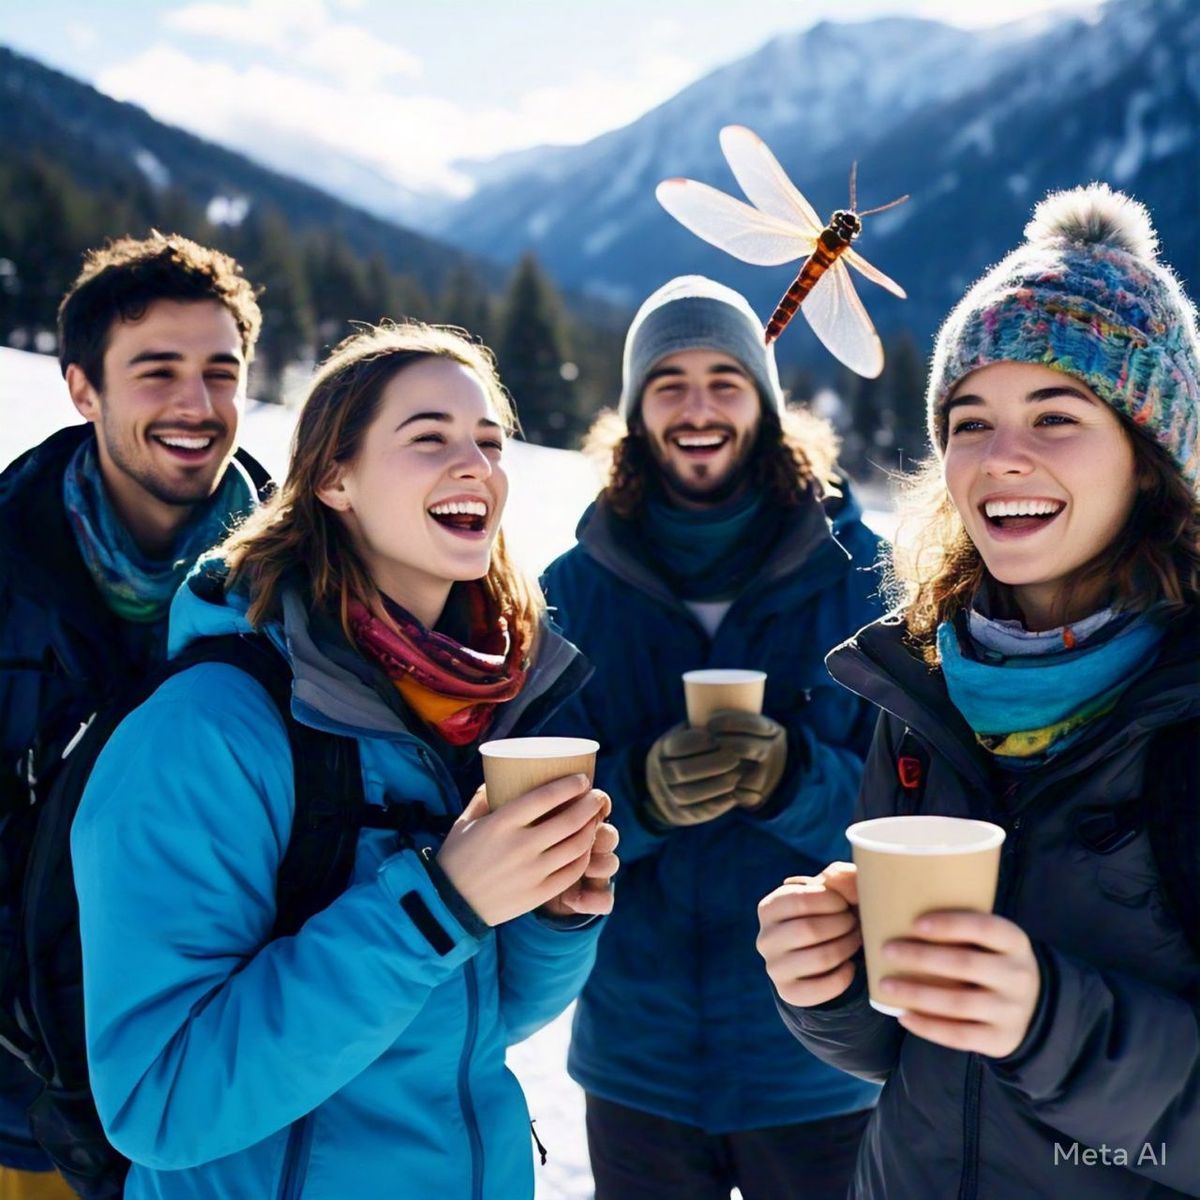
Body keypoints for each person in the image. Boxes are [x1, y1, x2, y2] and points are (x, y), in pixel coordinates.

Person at [71, 322, 619, 1199]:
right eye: (429, 437)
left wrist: (549, 917)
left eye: (489, 440)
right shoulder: (205, 732)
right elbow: (161, 1103)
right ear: (333, 478)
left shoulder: (470, 709)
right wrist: (441, 905)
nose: (475, 463)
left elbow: (469, 1023)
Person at [758, 183, 1200, 1199]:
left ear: (1151, 457)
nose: (1003, 456)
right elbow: (912, 1051)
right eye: (969, 419)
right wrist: (831, 983)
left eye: (1057, 414)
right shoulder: (925, 685)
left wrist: (1053, 1025)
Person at [540, 275, 884, 1200]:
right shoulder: (570, 588)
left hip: (819, 1061)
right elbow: (533, 817)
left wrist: (797, 780)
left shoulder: (863, 578)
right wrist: (638, 799)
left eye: (726, 379)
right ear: (634, 411)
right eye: (669, 382)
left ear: (767, 406)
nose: (698, 407)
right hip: (637, 1058)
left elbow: (923, 807)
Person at [0, 233, 270, 1197]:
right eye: (157, 371)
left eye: (220, 372)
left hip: (234, 1103)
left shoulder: (306, 587)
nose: (196, 406)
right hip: (22, 1105)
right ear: (82, 388)